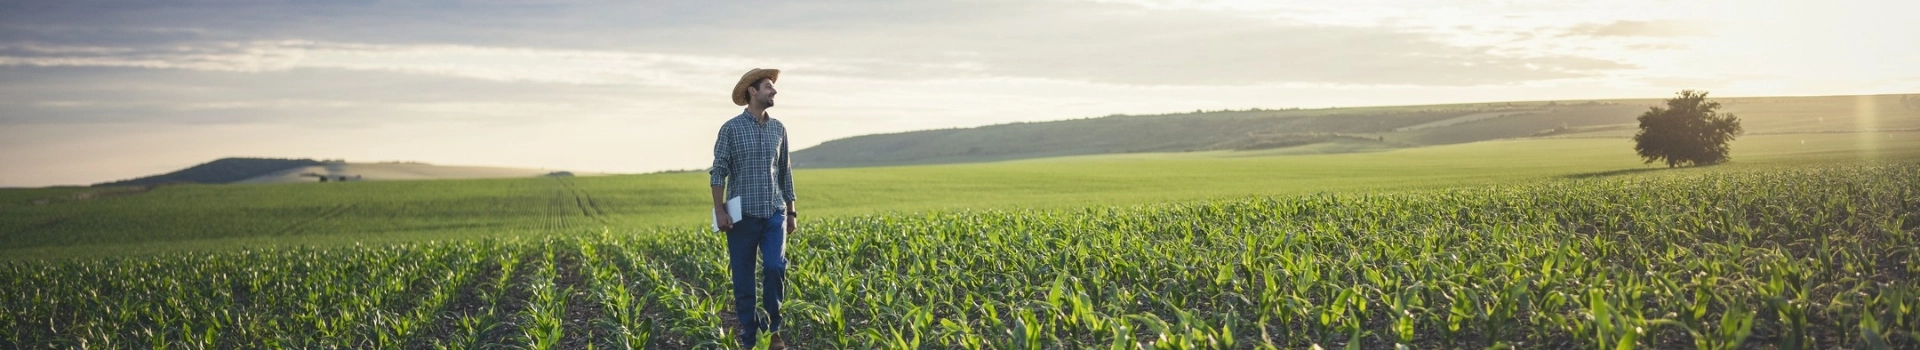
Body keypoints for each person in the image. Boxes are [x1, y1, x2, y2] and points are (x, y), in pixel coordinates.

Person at [709, 68, 797, 349]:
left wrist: (792, 212)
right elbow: (718, 172)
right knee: (743, 278)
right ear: (752, 91)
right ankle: (750, 334)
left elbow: (785, 172)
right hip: (741, 217)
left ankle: (773, 331)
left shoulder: (778, 128)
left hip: (774, 212)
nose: (774, 91)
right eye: (769, 86)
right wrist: (720, 210)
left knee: (774, 267)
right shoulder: (730, 129)